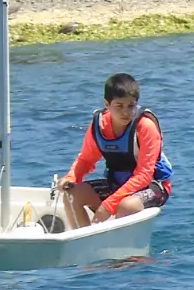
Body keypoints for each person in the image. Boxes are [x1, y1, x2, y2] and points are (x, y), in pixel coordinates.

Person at [57, 72, 174, 227]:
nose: (125, 112)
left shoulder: (145, 127)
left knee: (127, 206)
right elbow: (86, 159)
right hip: (117, 183)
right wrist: (71, 178)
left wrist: (108, 205)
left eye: (130, 106)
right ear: (107, 104)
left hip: (152, 186)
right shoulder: (99, 126)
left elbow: (144, 175)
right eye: (119, 106)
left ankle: (120, 246)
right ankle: (84, 241)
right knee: (71, 195)